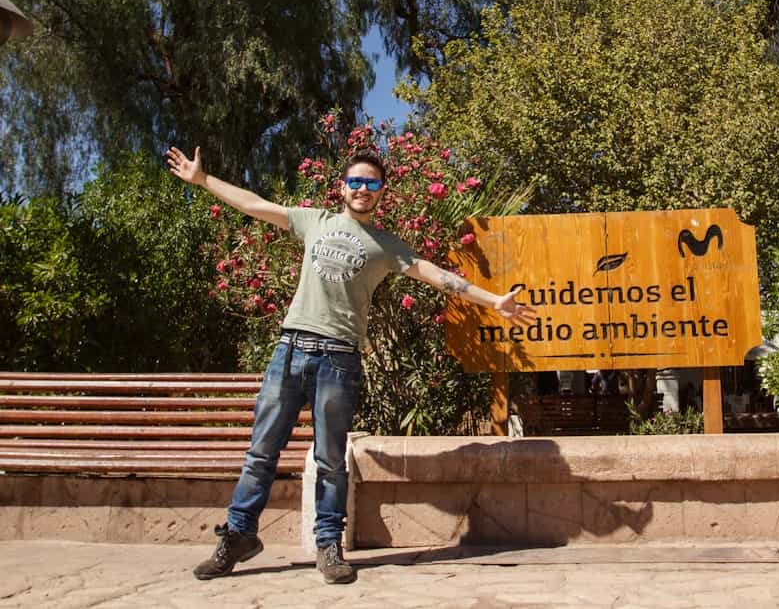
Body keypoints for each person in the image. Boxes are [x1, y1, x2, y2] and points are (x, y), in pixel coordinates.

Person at [167, 146, 535, 584]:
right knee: (261, 453)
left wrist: (493, 300)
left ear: (381, 193)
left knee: (330, 461)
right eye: (356, 182)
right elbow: (254, 204)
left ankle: (328, 545)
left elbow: (437, 276)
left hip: (339, 358)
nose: (363, 189)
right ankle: (239, 537)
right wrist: (202, 180)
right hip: (290, 350)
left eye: (372, 183)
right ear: (343, 188)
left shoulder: (386, 246)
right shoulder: (314, 221)